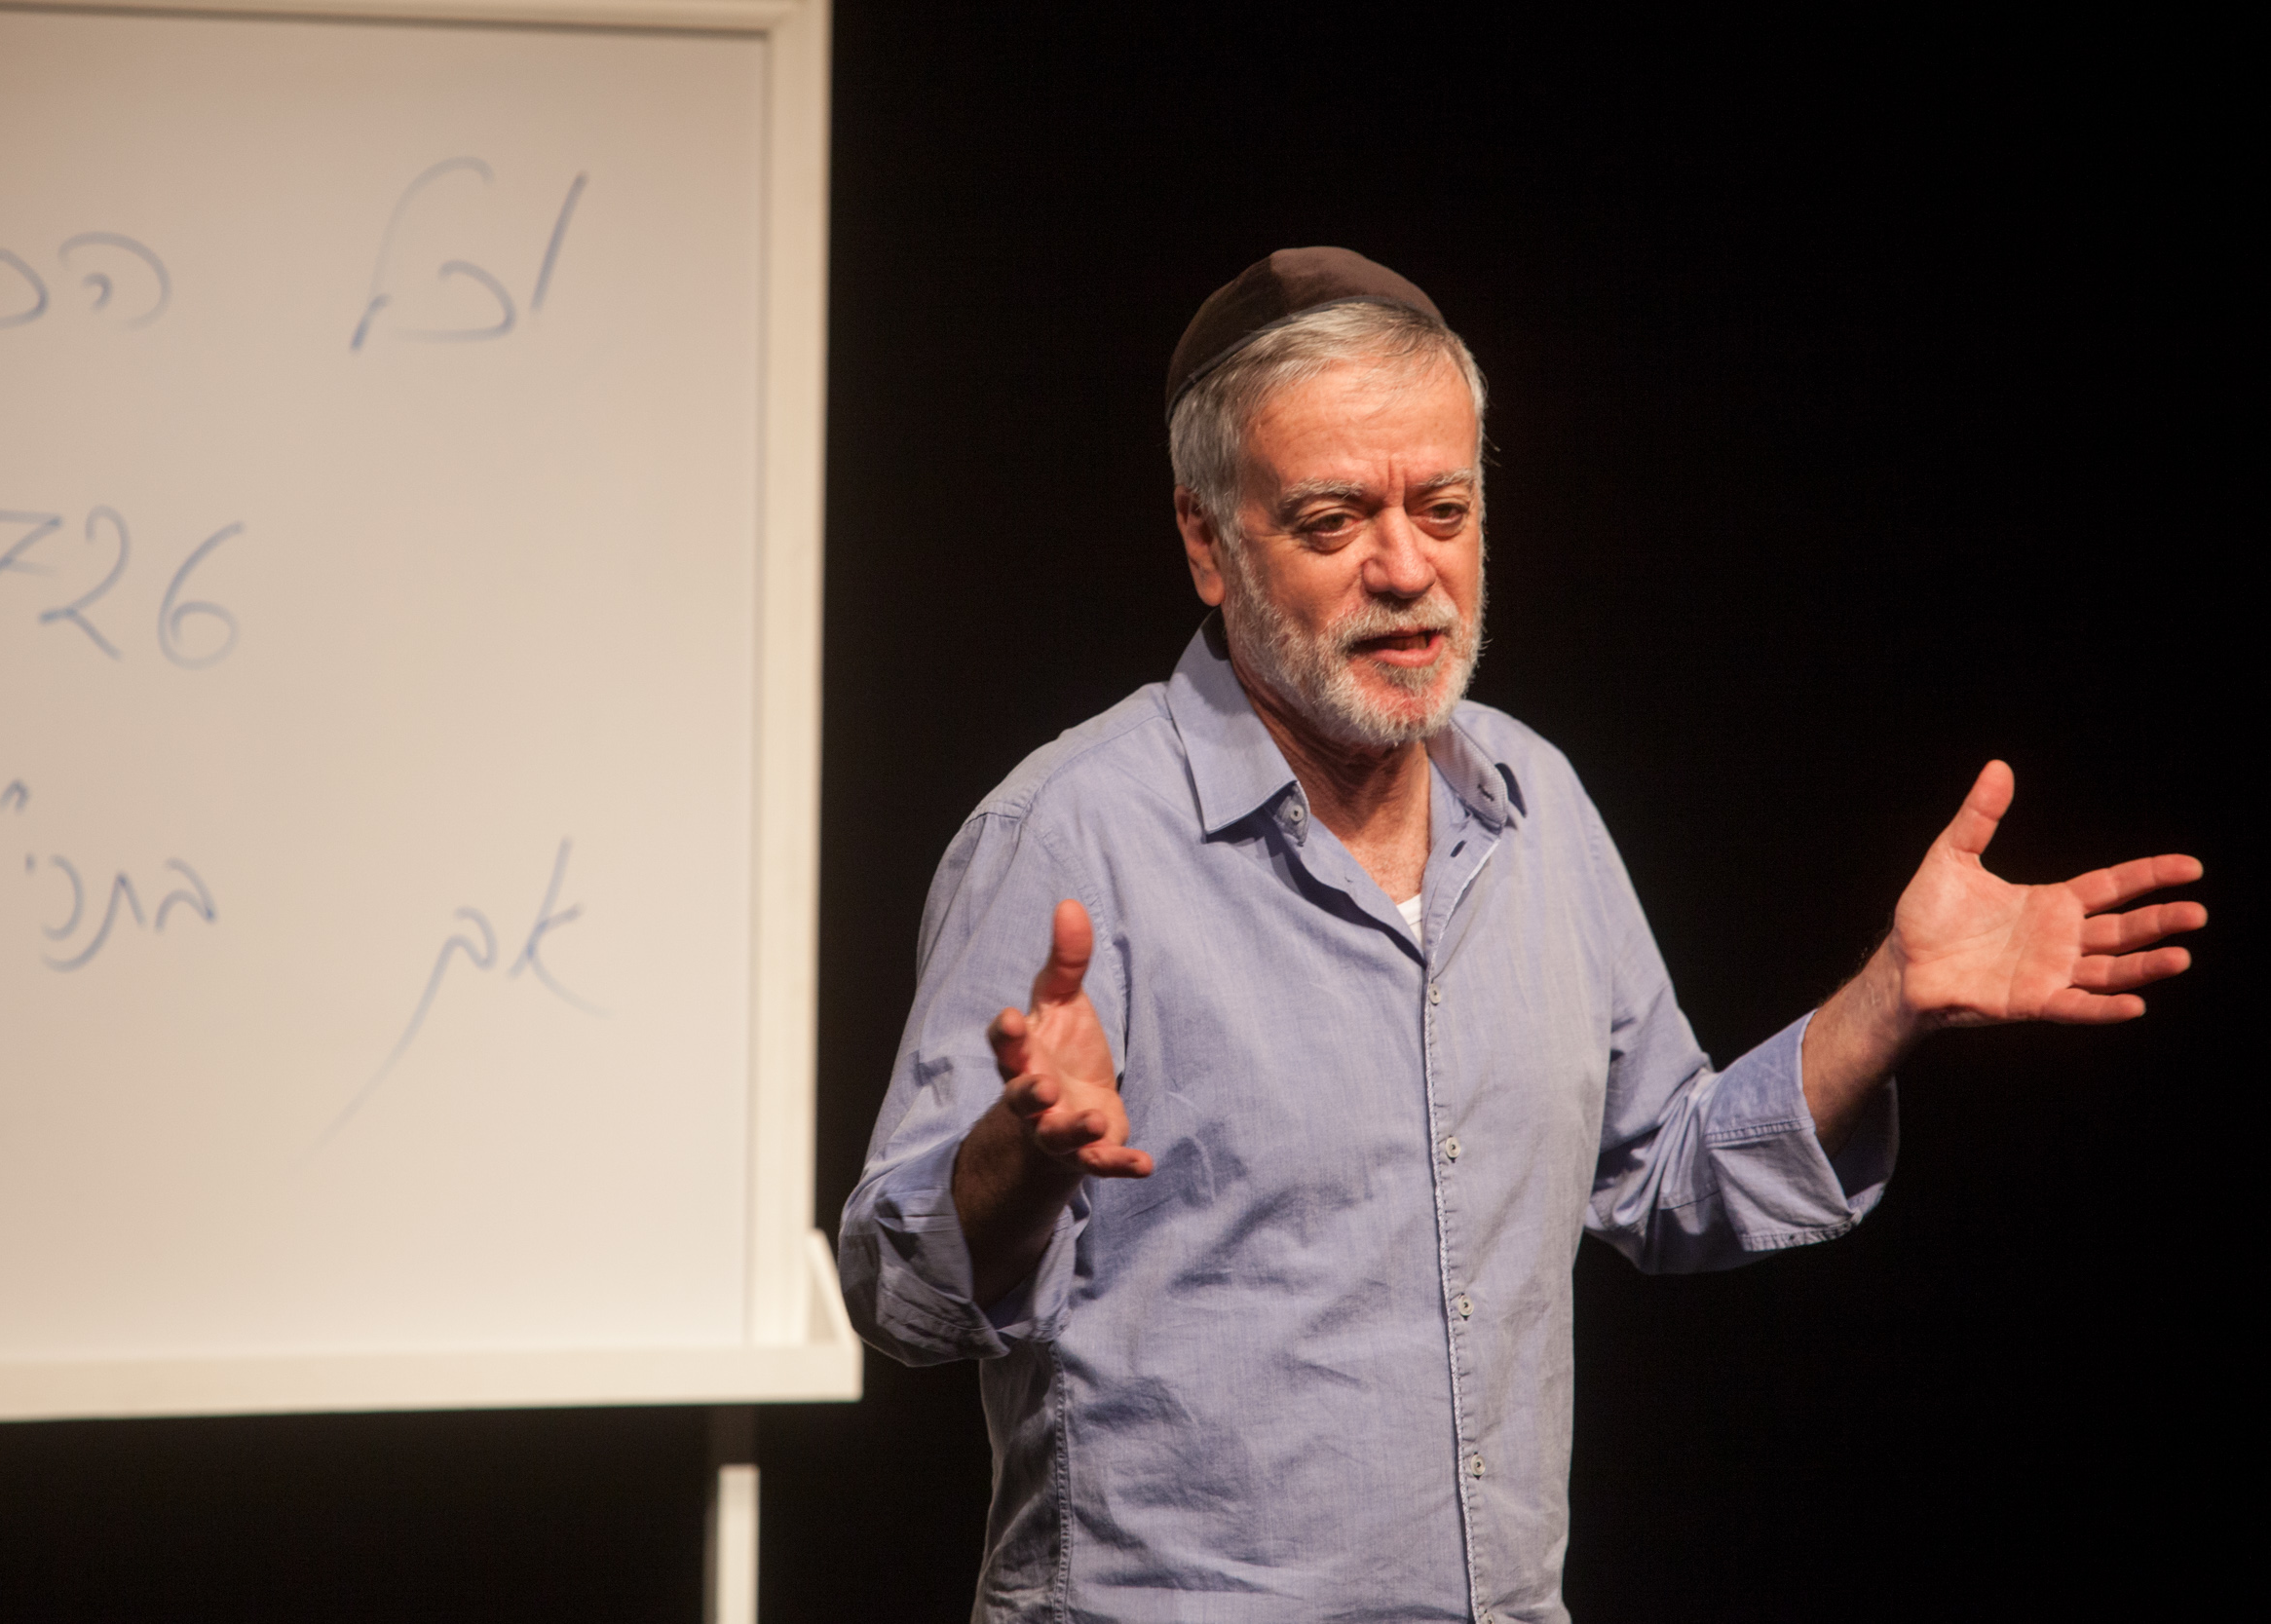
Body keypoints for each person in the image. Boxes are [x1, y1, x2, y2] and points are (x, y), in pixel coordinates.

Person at [837, 247, 2205, 1623]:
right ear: (1207, 541)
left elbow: (1666, 1172)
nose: (1406, 569)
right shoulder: (1071, 836)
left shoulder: (1535, 802)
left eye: (1444, 508)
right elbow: (899, 1292)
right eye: (1333, 521)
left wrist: (1889, 1000)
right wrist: (1021, 1152)